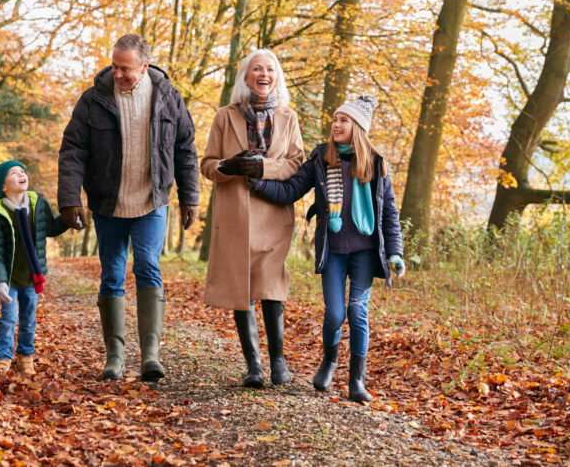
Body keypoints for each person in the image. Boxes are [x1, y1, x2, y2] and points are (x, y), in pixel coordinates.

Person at [58, 34, 199, 382]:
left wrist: (190, 196)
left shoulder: (168, 98)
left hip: (151, 199)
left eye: (126, 69)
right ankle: (115, 357)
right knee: (112, 274)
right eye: (114, 66)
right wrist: (70, 198)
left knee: (149, 267)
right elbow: (73, 150)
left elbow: (185, 149)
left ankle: (150, 356)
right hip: (109, 202)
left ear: (145, 66)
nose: (117, 74)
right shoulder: (93, 100)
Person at [252, 95, 405, 402]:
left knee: (357, 311)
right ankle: (329, 360)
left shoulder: (376, 164)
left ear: (358, 127)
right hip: (333, 250)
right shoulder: (322, 158)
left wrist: (395, 252)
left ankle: (356, 381)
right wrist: (258, 180)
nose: (336, 125)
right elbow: (291, 190)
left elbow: (389, 212)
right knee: (335, 313)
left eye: (344, 120)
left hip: (365, 251)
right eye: (335, 120)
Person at [200, 49, 304, 388]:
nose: (263, 74)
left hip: (273, 211)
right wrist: (228, 167)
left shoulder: (289, 118)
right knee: (240, 286)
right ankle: (253, 366)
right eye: (256, 69)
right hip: (235, 214)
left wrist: (262, 167)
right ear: (246, 77)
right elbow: (207, 165)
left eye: (270, 69)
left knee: (271, 285)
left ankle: (278, 362)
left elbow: (295, 164)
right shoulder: (223, 116)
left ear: (277, 77)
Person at [0, 160, 69, 375]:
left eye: (23, 171)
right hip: (10, 276)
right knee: (9, 317)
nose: (22, 174)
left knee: (29, 318)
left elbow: (50, 228)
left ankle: (25, 356)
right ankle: (3, 357)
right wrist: (0, 282)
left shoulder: (38, 203)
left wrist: (68, 218)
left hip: (31, 275)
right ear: (3, 186)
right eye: (14, 173)